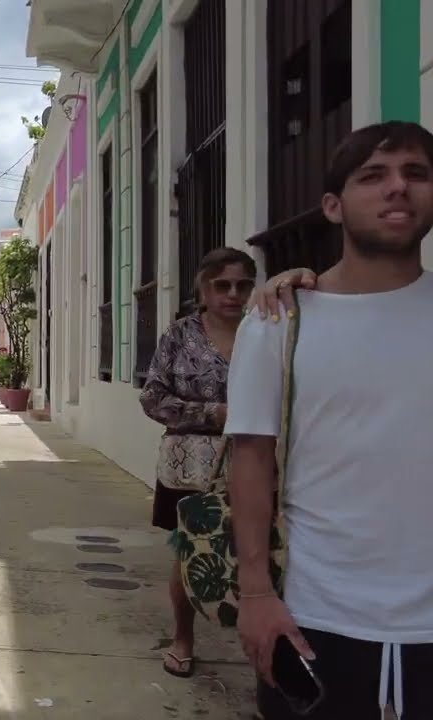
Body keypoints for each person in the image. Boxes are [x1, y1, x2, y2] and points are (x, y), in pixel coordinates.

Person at [225, 121, 433, 719]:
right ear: (333, 207)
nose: (398, 188)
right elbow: (251, 460)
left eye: (415, 174)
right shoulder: (279, 324)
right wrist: (257, 592)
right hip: (315, 620)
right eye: (374, 176)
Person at [139, 246, 257, 679]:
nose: (232, 294)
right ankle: (182, 637)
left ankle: (259, 637)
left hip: (254, 459)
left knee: (257, 549)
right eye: (221, 285)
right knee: (190, 553)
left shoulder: (263, 332)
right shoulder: (179, 336)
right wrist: (213, 414)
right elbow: (152, 398)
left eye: (242, 285)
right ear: (203, 289)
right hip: (189, 463)